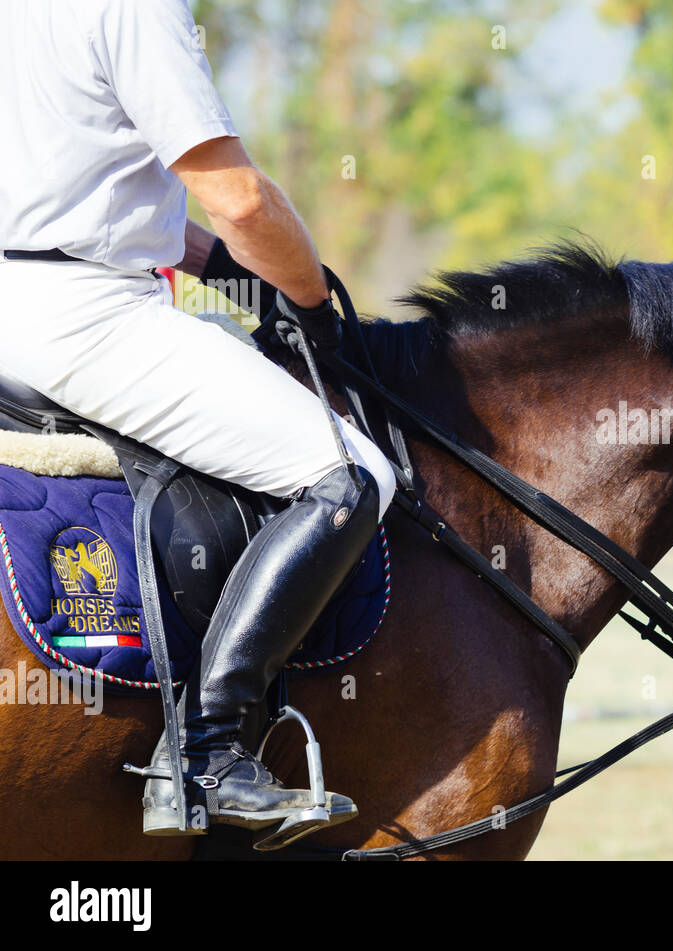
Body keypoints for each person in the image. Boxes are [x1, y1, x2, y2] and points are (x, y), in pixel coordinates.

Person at [0, 0, 397, 844]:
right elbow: (240, 200)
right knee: (352, 475)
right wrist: (310, 301)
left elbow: (103, 196)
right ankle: (212, 752)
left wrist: (237, 282)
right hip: (87, 316)